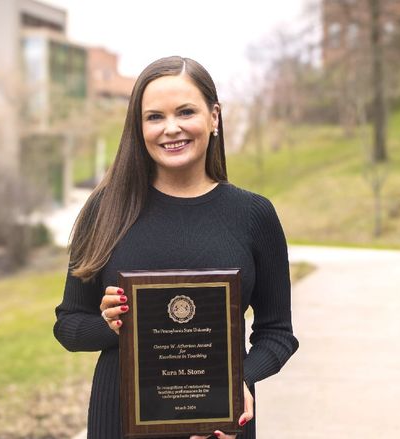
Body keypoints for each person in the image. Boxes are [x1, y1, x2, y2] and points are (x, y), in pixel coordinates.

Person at [53, 56, 298, 439]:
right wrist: (109, 326)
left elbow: (278, 334)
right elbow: (68, 325)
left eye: (186, 112)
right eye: (154, 117)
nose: (171, 129)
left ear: (214, 117)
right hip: (120, 422)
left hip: (221, 427)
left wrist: (239, 385)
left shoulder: (254, 215)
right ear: (139, 126)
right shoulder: (105, 210)